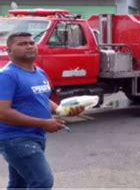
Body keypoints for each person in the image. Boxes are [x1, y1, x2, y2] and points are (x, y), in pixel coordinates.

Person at [0, 32, 84, 189]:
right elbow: (2, 112)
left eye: (31, 43)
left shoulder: (39, 72)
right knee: (42, 181)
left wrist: (62, 110)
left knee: (20, 183)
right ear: (9, 50)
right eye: (22, 44)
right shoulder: (7, 76)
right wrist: (44, 123)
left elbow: (42, 98)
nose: (29, 46)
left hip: (35, 137)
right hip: (16, 139)